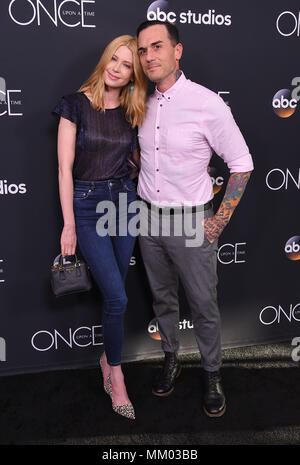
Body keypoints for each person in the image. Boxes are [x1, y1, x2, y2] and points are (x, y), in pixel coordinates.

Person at [136, 20, 254, 417]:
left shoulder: (207, 103)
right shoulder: (141, 101)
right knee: (162, 299)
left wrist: (218, 221)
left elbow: (241, 164)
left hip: (192, 222)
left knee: (203, 304)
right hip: (148, 220)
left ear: (177, 51)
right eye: (142, 50)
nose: (149, 56)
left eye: (157, 46)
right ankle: (171, 358)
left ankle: (212, 373)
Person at [52, 35, 147, 420]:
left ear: (132, 76)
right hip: (88, 205)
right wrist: (69, 224)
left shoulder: (131, 109)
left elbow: (142, 159)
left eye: (127, 66)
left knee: (116, 294)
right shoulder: (74, 105)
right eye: (115, 60)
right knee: (118, 298)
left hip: (125, 202)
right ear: (104, 60)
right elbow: (63, 169)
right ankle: (117, 377)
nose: (118, 69)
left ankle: (109, 358)